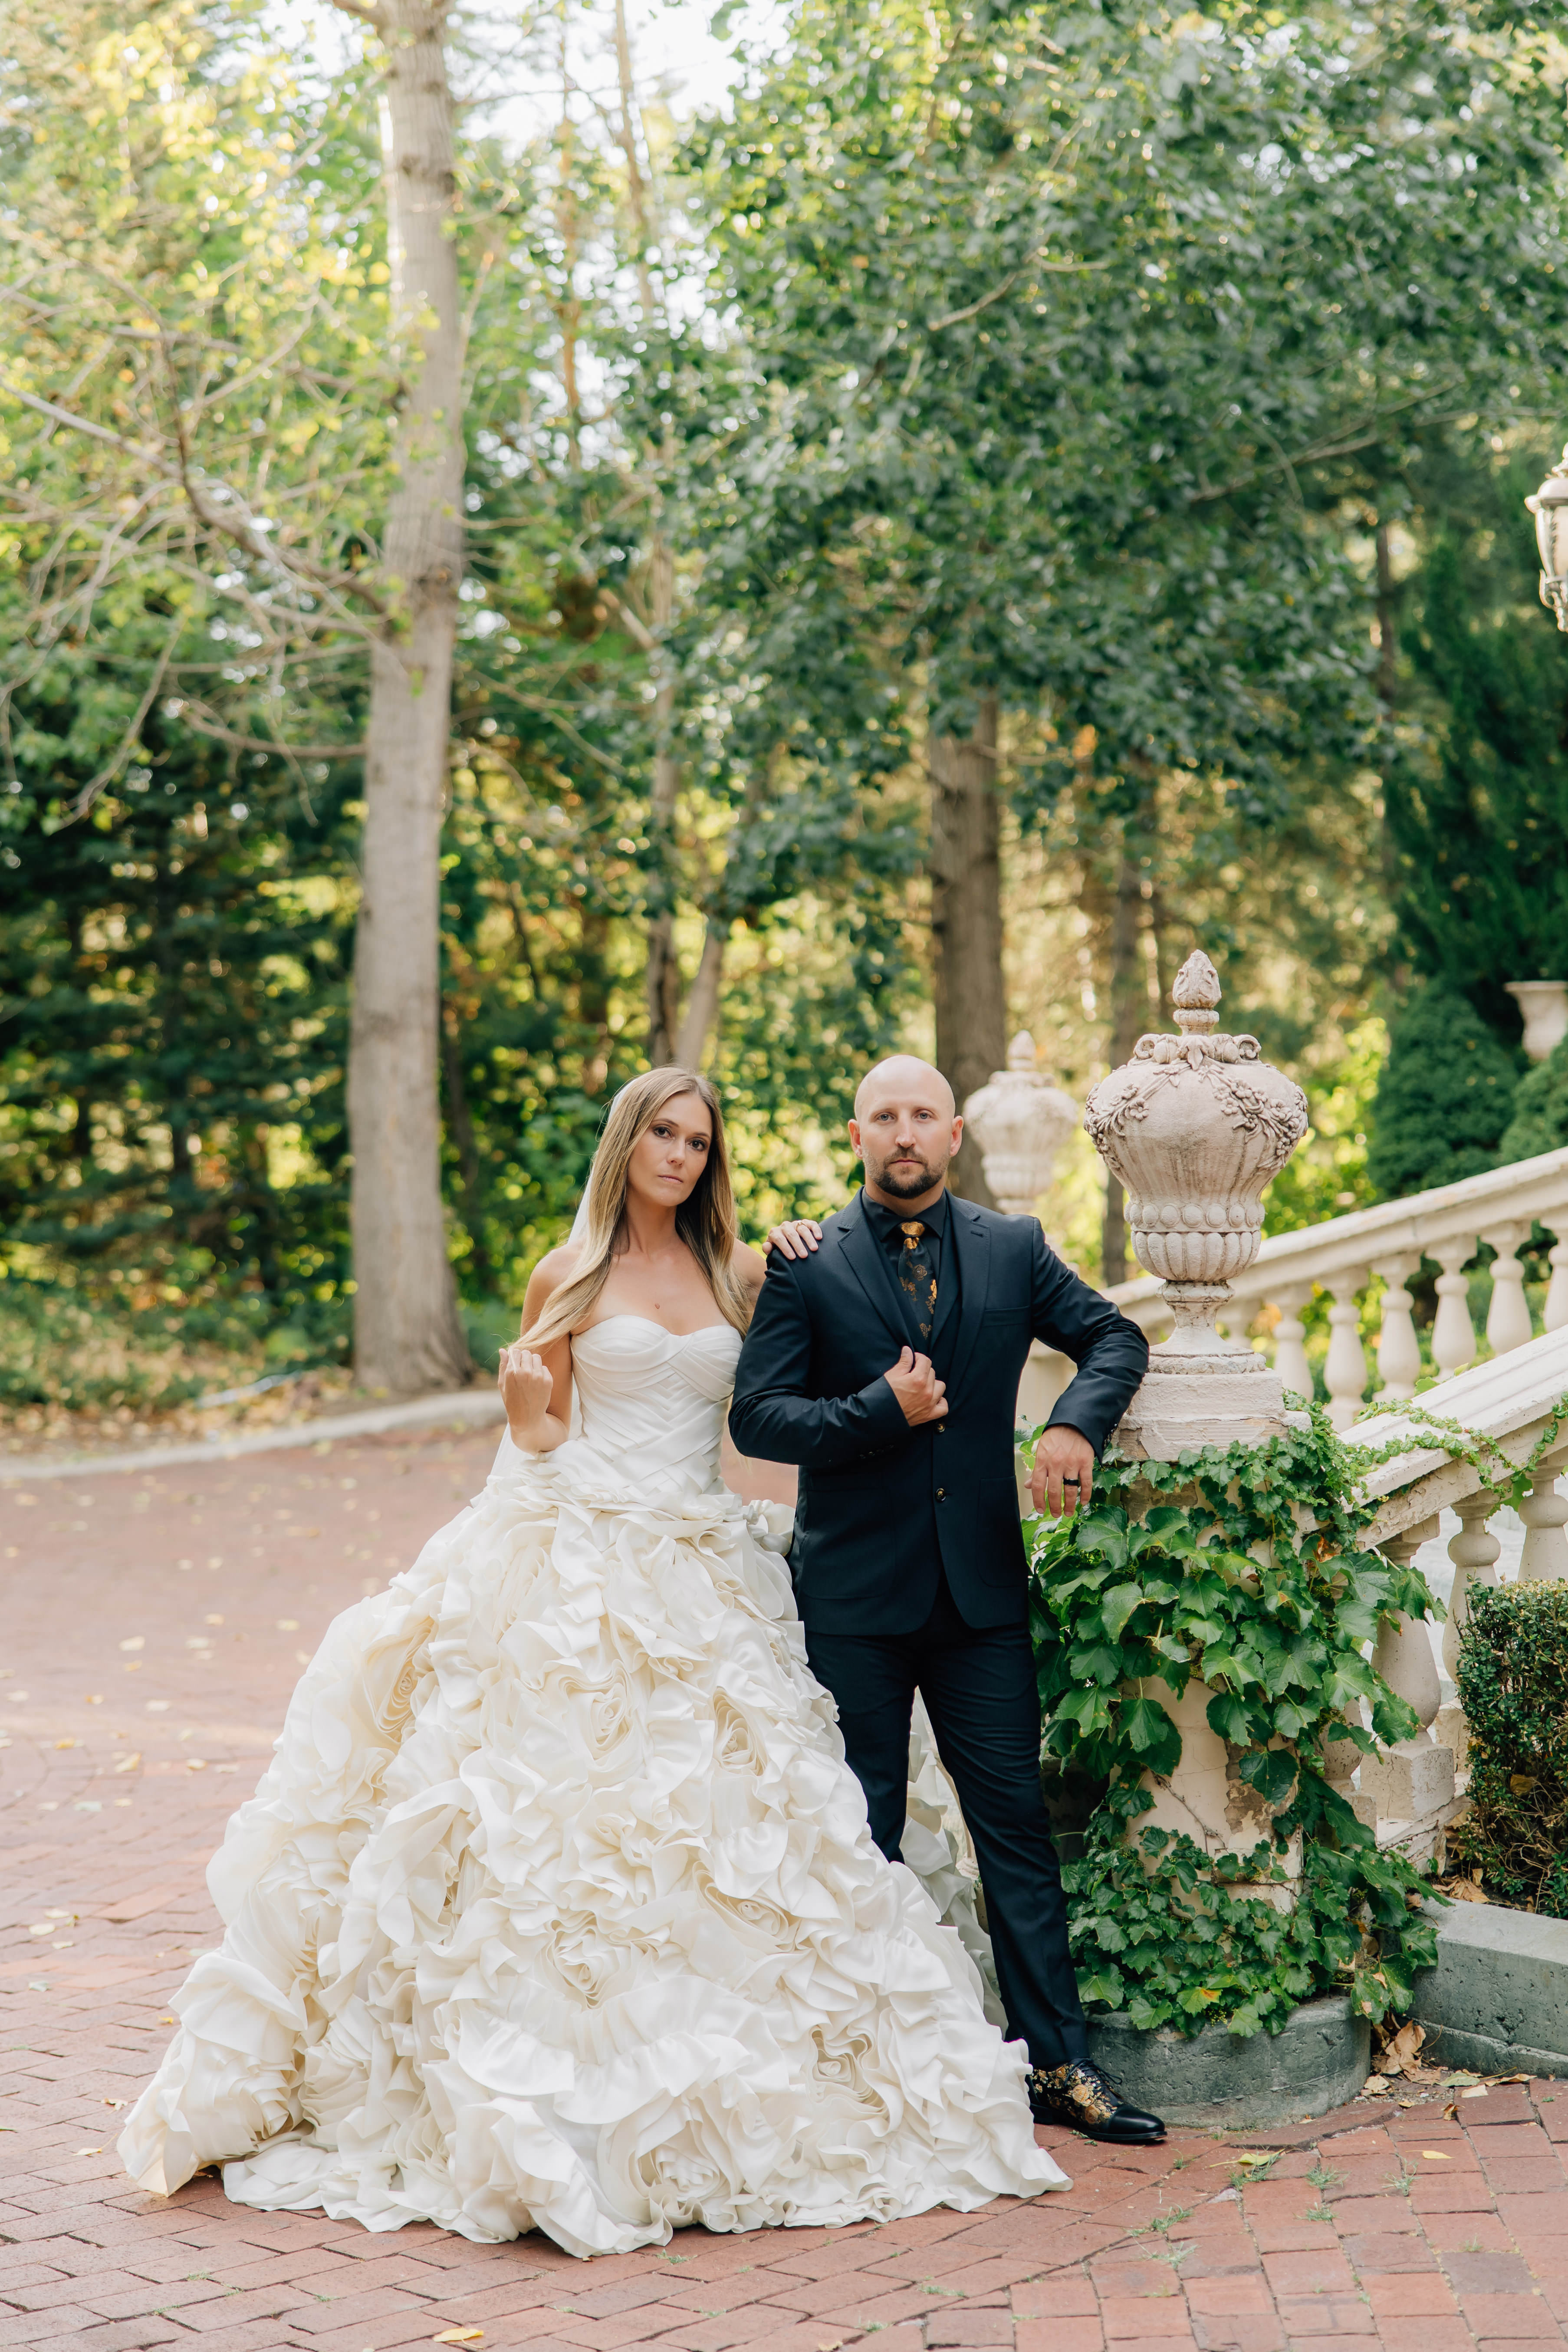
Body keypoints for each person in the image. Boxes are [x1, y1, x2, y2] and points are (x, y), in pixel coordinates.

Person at [118, 1067, 1068, 2260]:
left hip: (703, 1559)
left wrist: (798, 1251)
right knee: (565, 1841)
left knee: (740, 1832)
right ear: (625, 1143)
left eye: (696, 1139)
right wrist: (524, 1424)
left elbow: (768, 1382)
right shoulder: (563, 1277)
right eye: (661, 1134)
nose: (677, 1153)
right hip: (582, 1561)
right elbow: (544, 1432)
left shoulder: (743, 1269)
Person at [731, 1054, 1165, 2146]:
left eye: (922, 1114)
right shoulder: (807, 1260)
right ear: (856, 1133)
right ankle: (868, 2072)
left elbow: (1116, 1335)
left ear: (956, 1134)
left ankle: (1059, 2064)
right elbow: (760, 1418)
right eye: (884, 1116)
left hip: (979, 1597)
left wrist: (1072, 1424)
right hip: (853, 1600)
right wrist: (877, 1409)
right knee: (860, 1830)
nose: (905, 1132)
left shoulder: (1013, 1247)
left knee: (1012, 1827)